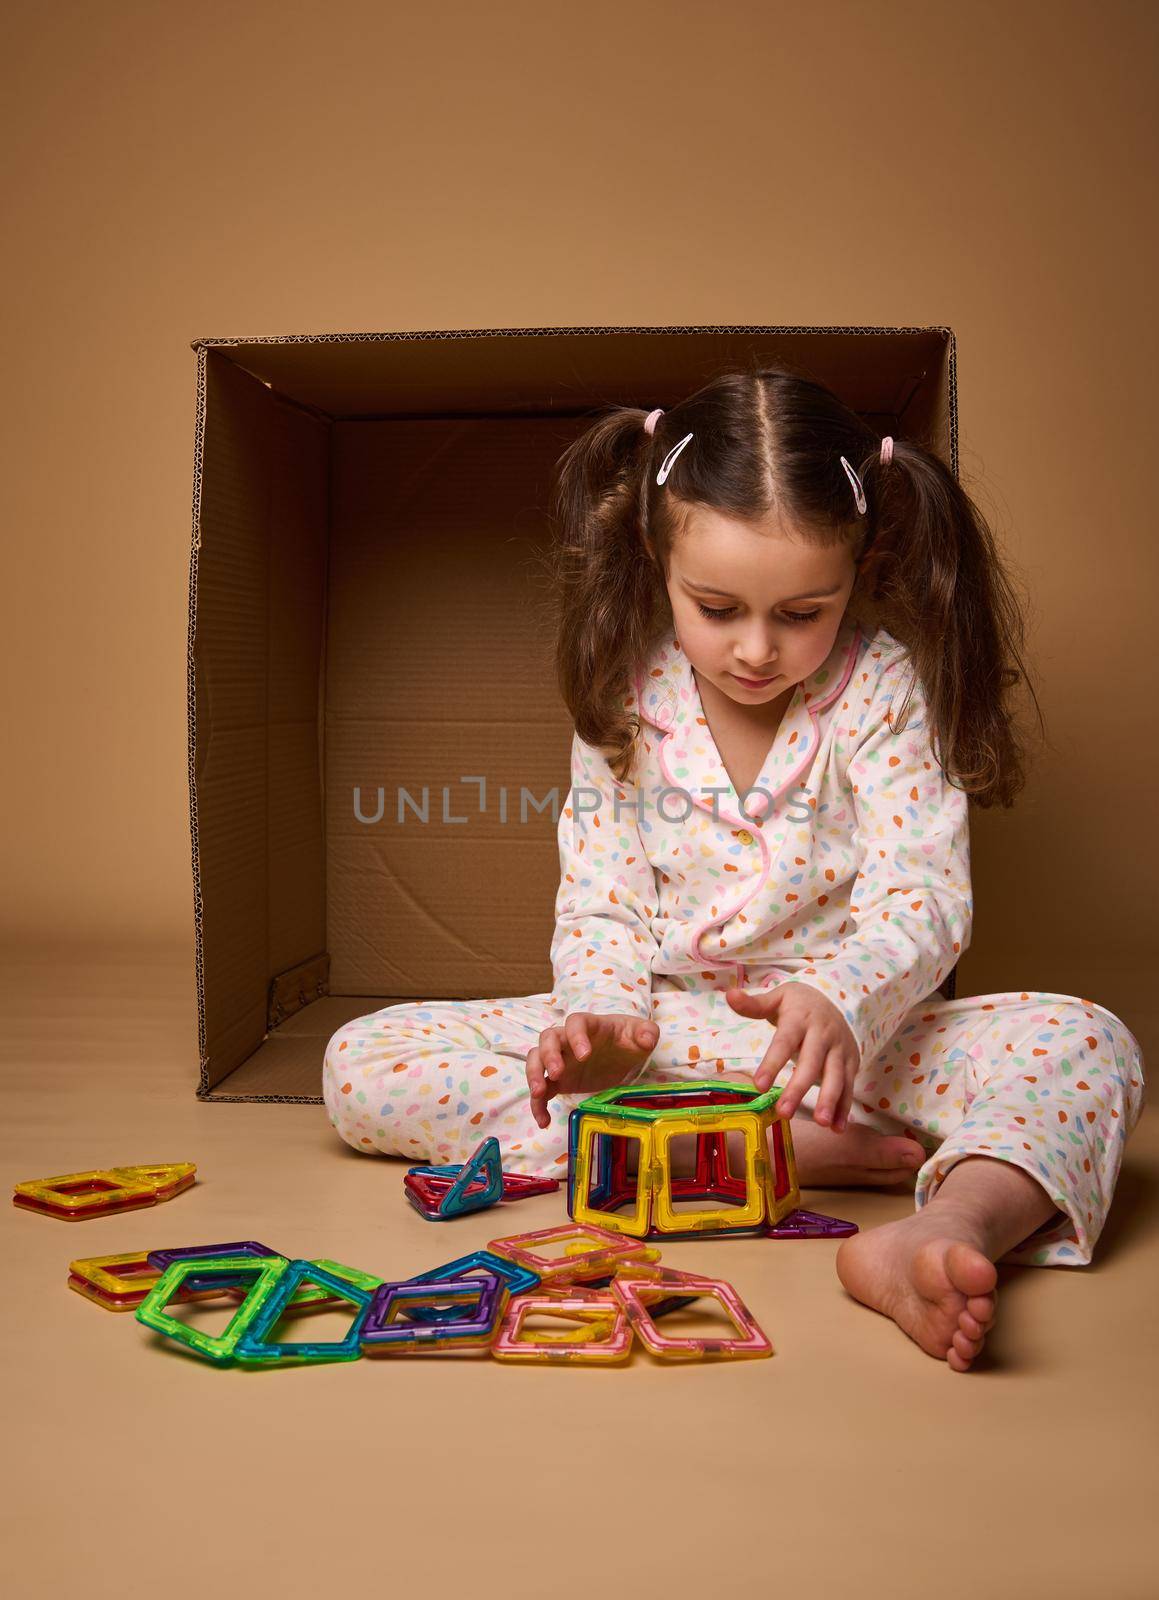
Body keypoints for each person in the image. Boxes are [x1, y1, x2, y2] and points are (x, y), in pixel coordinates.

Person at [322, 363, 1146, 1372]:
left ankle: (953, 1224)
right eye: (716, 608)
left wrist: (836, 998)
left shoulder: (883, 690)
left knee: (1083, 1040)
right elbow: (602, 901)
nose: (756, 649)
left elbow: (920, 897)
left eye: (803, 612)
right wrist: (602, 1024)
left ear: (859, 567)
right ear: (656, 556)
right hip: (665, 1048)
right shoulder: (625, 690)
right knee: (360, 1060)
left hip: (850, 1052)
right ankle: (757, 1153)